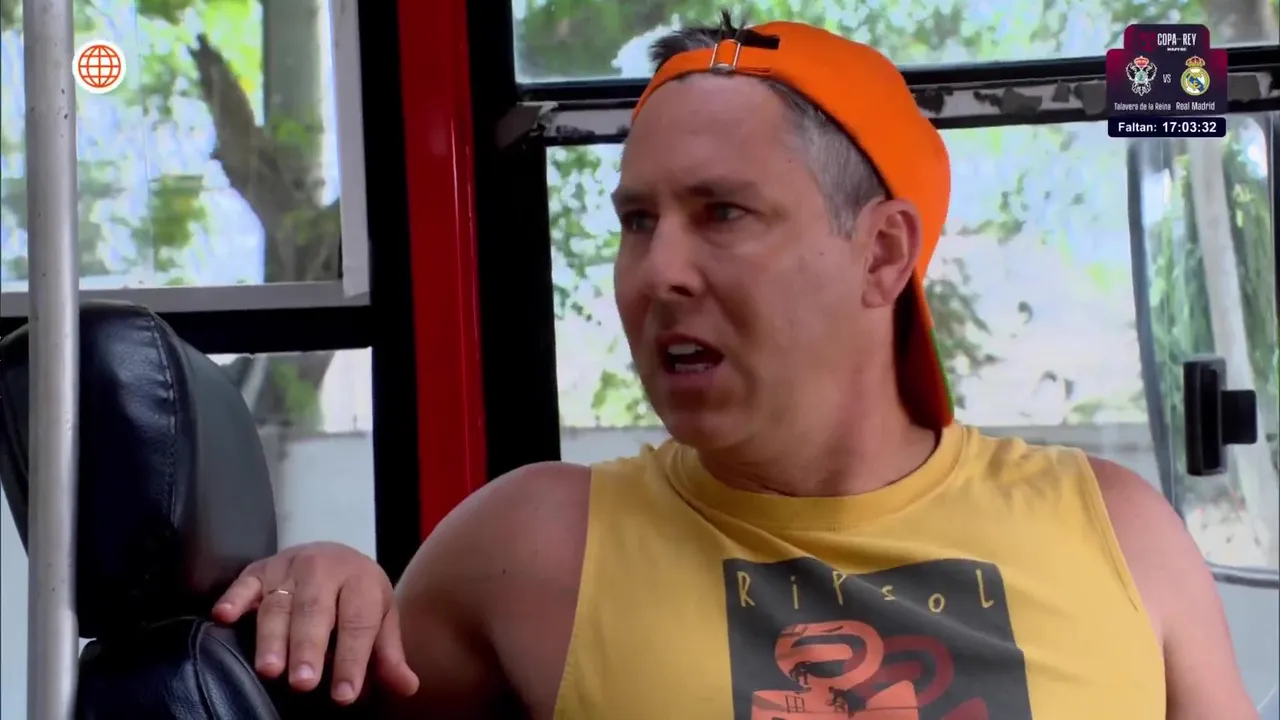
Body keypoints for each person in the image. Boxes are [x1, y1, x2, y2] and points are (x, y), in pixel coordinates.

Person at [213, 14, 1258, 719]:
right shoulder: (530, 546)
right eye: (637, 222)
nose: (657, 272)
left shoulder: (1118, 533)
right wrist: (330, 591)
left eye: (721, 213)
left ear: (881, 254)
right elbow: (340, 680)